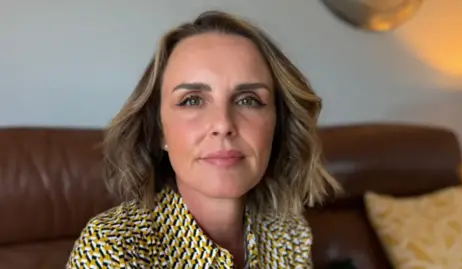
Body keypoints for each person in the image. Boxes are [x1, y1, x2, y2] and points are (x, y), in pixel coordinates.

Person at [67, 10, 339, 268]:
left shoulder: (289, 232)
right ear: (159, 129)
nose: (223, 124)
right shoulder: (113, 248)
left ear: (278, 123)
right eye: (192, 100)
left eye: (248, 100)